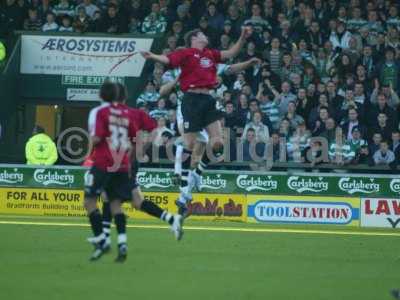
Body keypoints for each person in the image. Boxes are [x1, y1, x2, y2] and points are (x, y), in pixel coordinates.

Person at [142, 27, 251, 217]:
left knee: (218, 143)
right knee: (190, 145)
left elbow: (232, 53)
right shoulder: (186, 53)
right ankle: (184, 193)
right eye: (202, 34)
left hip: (208, 99)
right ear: (194, 38)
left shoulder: (210, 54)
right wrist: (152, 56)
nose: (205, 35)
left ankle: (199, 170)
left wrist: (242, 36)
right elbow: (168, 60)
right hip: (191, 101)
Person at [84, 82, 182, 262]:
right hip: (127, 161)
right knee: (123, 200)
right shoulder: (133, 113)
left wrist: (88, 155)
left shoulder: (108, 113)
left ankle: (105, 238)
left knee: (112, 199)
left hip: (114, 161)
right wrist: (141, 150)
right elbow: (152, 130)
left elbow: (98, 137)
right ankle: (117, 241)